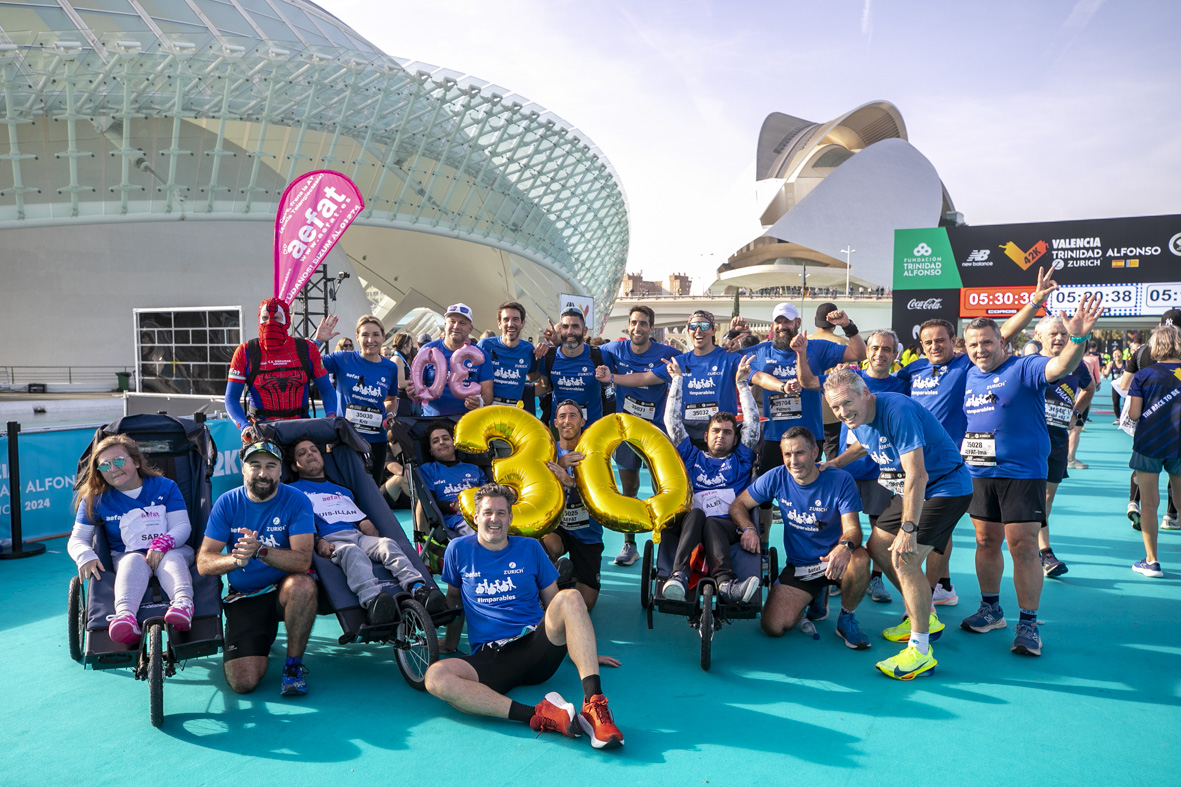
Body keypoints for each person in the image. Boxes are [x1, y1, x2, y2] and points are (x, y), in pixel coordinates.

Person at [895, 268, 1058, 606]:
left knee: (946, 530)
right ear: (920, 346)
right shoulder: (913, 371)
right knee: (934, 530)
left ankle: (941, 587)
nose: (934, 346)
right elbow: (881, 387)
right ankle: (935, 588)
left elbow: (1000, 334)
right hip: (918, 462)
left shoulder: (965, 365)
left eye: (941, 340)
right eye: (928, 342)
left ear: (954, 343)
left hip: (960, 464)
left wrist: (1033, 302)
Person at [424, 483, 625, 749]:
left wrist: (584, 649)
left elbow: (556, 603)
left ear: (510, 518)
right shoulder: (458, 550)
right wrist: (450, 644)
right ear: (475, 517)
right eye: (487, 513)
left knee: (571, 596)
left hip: (536, 647)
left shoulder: (530, 548)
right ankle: (540, 715)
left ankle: (594, 706)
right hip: (491, 657)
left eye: (501, 513)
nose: (494, 519)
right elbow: (454, 602)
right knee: (435, 677)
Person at [958, 293, 1104, 658]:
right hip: (979, 470)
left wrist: (1077, 339)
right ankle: (991, 609)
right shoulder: (969, 374)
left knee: (1022, 545)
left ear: (1001, 341)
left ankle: (1028, 623)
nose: (980, 349)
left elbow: (1059, 368)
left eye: (987, 342)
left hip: (1023, 472)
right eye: (974, 344)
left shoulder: (1024, 366)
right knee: (985, 541)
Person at [823, 371, 974, 678]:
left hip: (944, 487)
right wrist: (833, 464)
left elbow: (918, 474)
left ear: (866, 393)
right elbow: (865, 445)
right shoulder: (859, 418)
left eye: (847, 403)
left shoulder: (898, 410)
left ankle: (920, 652)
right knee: (878, 546)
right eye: (835, 407)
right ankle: (925, 615)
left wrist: (908, 529)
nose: (842, 412)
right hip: (909, 488)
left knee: (903, 559)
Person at [730, 427, 872, 651]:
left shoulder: (841, 480)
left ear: (815, 452)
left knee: (861, 557)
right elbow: (739, 504)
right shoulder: (776, 476)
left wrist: (844, 547)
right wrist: (748, 528)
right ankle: (816, 595)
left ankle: (846, 618)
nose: (793, 461)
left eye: (800, 453)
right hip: (801, 566)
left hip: (835, 561)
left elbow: (853, 529)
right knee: (773, 627)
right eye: (787, 454)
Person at [197, 441, 316, 695]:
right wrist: (236, 560)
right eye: (256, 465)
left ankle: (293, 666)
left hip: (284, 592)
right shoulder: (227, 503)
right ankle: (260, 637)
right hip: (246, 596)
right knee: (243, 683)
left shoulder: (297, 500)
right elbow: (204, 562)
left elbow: (303, 561)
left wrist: (260, 551)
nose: (263, 473)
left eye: (271, 466)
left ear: (280, 471)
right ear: (243, 470)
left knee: (304, 585)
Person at [287, 438, 446, 616]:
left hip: (358, 535)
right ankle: (373, 600)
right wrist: (317, 541)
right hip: (332, 540)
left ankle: (417, 587)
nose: (310, 454)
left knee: (387, 544)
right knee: (352, 553)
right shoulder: (293, 491)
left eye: (314, 450)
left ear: (323, 457)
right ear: (294, 466)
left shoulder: (343, 490)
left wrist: (365, 521)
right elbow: (296, 522)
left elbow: (356, 515)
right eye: (302, 453)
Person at [68, 435, 195, 644]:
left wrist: (163, 544)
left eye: (118, 460)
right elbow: (77, 539)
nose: (113, 468)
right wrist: (85, 556)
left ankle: (183, 604)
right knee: (131, 561)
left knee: (170, 558)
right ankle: (125, 616)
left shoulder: (165, 486)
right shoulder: (95, 499)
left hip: (174, 549)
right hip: (128, 555)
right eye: (105, 465)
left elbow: (182, 526)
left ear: (136, 461)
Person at [659, 352, 763, 604]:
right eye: (715, 431)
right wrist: (677, 382)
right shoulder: (691, 456)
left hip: (727, 525)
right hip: (689, 524)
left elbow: (753, 423)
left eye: (728, 432)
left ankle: (726, 584)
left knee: (713, 522)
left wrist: (741, 384)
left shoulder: (741, 459)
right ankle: (678, 576)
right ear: (706, 436)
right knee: (697, 515)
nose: (721, 436)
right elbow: (672, 424)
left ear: (735, 439)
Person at [594, 305, 679, 566]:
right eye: (633, 323)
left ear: (651, 328)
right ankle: (629, 545)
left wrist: (613, 378)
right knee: (628, 489)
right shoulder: (613, 350)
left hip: (657, 432)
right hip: (626, 432)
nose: (637, 328)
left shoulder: (668, 354)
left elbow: (648, 378)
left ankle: (666, 542)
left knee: (661, 488)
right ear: (628, 326)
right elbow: (588, 351)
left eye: (643, 324)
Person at [830, 330, 910, 604]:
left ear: (894, 355)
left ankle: (875, 578)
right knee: (841, 524)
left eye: (886, 349)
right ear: (866, 350)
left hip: (882, 470)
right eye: (875, 347)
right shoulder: (848, 377)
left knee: (881, 529)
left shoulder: (901, 386)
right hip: (849, 469)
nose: (879, 353)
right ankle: (839, 573)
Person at [1023, 315, 1095, 578]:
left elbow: (1089, 389)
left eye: (1063, 334)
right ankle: (1045, 552)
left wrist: (1076, 414)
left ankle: (1036, 542)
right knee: (1036, 497)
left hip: (1057, 440)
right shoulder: (1028, 364)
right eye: (1053, 333)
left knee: (1047, 497)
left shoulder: (1076, 365)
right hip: (1029, 440)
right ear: (1038, 337)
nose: (1059, 338)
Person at [224, 298, 337, 442]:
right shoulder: (245, 352)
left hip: (300, 430)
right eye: (265, 318)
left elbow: (326, 388)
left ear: (287, 320)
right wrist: (244, 427)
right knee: (263, 465)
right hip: (261, 432)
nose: (270, 322)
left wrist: (331, 417)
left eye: (277, 318)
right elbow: (231, 398)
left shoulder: (307, 348)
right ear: (259, 319)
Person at [314, 315, 401, 487]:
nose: (370, 340)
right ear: (357, 337)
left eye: (376, 335)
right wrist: (317, 341)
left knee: (372, 491)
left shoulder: (390, 367)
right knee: (344, 491)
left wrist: (390, 414)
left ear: (383, 336)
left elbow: (390, 399)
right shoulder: (342, 359)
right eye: (365, 335)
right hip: (345, 439)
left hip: (376, 441)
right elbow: (308, 362)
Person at [1125, 324, 1181, 577]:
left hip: (1149, 443)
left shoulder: (1144, 375)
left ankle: (1152, 561)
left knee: (1148, 503)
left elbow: (1134, 413)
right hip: (1178, 445)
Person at [1117, 310, 1181, 531]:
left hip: (1149, 428)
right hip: (1176, 431)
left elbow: (1125, 386)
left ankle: (1135, 501)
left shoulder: (1143, 352)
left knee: (1146, 478)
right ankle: (1171, 515)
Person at [542, 401, 606, 610]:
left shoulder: (595, 454)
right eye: (562, 416)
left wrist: (572, 484)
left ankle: (562, 582)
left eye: (572, 416)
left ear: (583, 421)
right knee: (548, 546)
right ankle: (551, 574)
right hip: (557, 526)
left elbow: (603, 496)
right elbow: (536, 491)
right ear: (555, 422)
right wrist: (558, 468)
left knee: (585, 604)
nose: (567, 421)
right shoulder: (546, 452)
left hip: (588, 533)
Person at [408, 303, 493, 421]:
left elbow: (488, 394)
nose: (456, 326)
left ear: (470, 328)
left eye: (462, 323)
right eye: (452, 321)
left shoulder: (481, 356)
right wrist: (412, 393)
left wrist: (480, 401)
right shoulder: (427, 351)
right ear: (445, 325)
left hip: (466, 423)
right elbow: (416, 388)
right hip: (431, 423)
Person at [416, 421, 488, 538]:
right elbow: (429, 501)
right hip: (455, 520)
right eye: (435, 441)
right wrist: (455, 506)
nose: (441, 442)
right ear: (431, 451)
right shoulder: (428, 469)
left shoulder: (474, 469)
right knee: (481, 531)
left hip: (483, 511)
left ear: (454, 444)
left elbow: (488, 493)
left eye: (446, 438)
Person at [536, 306, 604, 428]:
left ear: (584, 331)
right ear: (560, 331)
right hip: (559, 427)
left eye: (575, 326)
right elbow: (544, 386)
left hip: (591, 427)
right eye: (565, 327)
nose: (570, 331)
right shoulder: (549, 357)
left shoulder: (599, 355)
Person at [478, 301, 543, 407]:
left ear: (522, 323)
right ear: (499, 324)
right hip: (487, 406)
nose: (510, 324)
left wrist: (543, 355)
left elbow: (532, 377)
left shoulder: (528, 349)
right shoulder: (485, 345)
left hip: (515, 408)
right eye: (506, 319)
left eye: (515, 319)